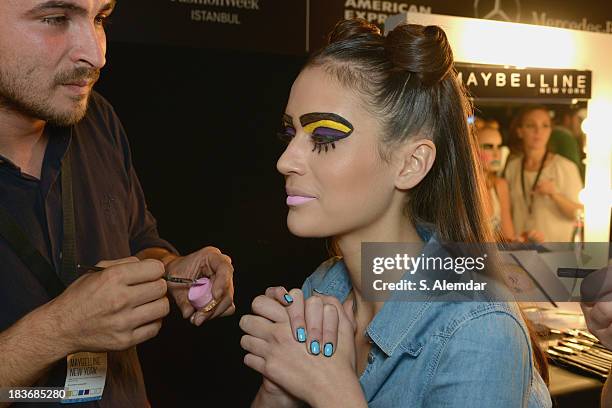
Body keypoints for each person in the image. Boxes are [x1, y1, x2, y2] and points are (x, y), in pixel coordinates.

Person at [239, 19, 551, 407]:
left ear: (410, 163)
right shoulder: (324, 288)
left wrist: (331, 394)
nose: (286, 161)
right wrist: (278, 390)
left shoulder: (478, 330)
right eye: (290, 134)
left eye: (323, 138)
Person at [0, 1, 234, 406]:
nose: (96, 54)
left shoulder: (96, 118)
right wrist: (59, 329)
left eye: (100, 19)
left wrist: (170, 269)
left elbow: (139, 242)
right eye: (55, 19)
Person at [504, 106, 583, 242]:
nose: (538, 131)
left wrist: (554, 195)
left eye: (545, 126)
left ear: (550, 131)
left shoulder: (565, 167)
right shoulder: (512, 167)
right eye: (531, 125)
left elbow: (579, 213)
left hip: (556, 251)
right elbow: (506, 211)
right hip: (522, 249)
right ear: (520, 131)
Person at [476, 124, 516, 241]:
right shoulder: (461, 188)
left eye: (498, 147)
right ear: (472, 149)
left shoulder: (500, 185)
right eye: (488, 147)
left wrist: (523, 239)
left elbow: (508, 236)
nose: (496, 153)